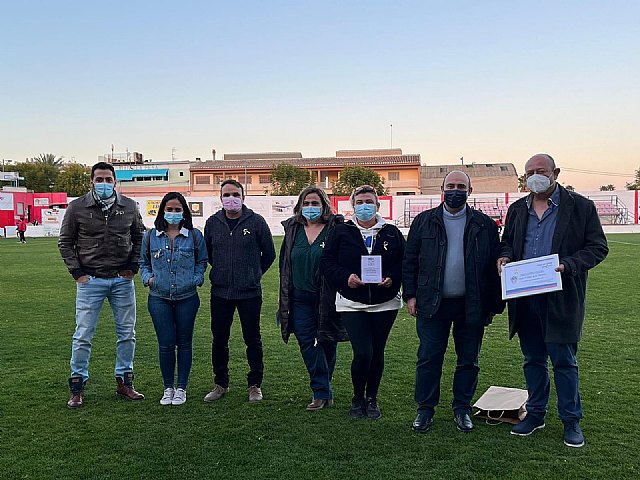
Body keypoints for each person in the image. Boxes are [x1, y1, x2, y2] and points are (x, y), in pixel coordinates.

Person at [498, 154, 608, 447]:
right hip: (525, 298)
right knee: (533, 360)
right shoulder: (517, 209)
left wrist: (569, 265)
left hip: (561, 298)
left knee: (564, 361)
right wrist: (504, 257)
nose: (535, 176)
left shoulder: (581, 207)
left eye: (541, 171)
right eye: (530, 172)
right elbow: (507, 242)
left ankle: (571, 421)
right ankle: (535, 414)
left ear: (555, 173)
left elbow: (598, 247)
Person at [403, 171, 504, 434]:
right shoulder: (424, 221)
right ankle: (425, 410)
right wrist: (410, 295)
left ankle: (462, 408)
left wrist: (493, 305)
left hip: (472, 303)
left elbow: (494, 266)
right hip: (432, 302)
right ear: (442, 188)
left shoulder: (484, 224)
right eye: (451, 186)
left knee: (468, 360)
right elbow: (410, 261)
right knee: (428, 358)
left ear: (470, 191)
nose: (455, 191)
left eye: (461, 186)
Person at [58, 161, 146, 408]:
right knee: (83, 335)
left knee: (127, 334)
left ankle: (125, 382)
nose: (104, 183)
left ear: (115, 182)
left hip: (121, 280)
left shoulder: (129, 206)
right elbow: (65, 242)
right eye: (100, 179)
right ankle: (77, 387)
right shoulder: (76, 207)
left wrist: (133, 267)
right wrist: (77, 273)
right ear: (91, 182)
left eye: (108, 179)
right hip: (90, 280)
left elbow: (140, 237)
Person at [321, 185, 405, 420]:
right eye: (359, 202)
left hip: (385, 302)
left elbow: (404, 262)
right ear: (353, 206)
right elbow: (327, 263)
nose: (364, 206)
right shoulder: (341, 232)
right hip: (351, 302)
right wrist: (345, 277)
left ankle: (372, 398)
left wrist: (392, 278)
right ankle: (358, 397)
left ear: (378, 205)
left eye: (369, 202)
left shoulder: (391, 232)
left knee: (377, 352)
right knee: (363, 353)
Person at [203, 180, 276, 403]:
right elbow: (209, 254)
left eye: (235, 194)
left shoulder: (256, 221)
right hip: (220, 292)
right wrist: (223, 272)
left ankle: (255, 385)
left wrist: (253, 274)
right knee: (219, 340)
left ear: (243, 197)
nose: (231, 198)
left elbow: (269, 254)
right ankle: (221, 383)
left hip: (249, 293)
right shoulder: (212, 223)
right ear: (220, 198)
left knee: (252, 339)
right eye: (226, 194)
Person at [277, 187, 347, 411]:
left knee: (328, 342)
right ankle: (321, 391)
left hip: (328, 298)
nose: (310, 207)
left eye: (315, 203)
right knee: (307, 342)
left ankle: (323, 387)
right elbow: (284, 263)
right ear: (299, 206)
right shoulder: (293, 230)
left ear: (324, 205)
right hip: (299, 299)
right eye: (306, 203)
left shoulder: (336, 229)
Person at [139, 192, 208, 406]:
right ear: (162, 211)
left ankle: (182, 388)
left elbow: (202, 261)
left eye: (178, 209)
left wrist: (196, 279)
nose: (173, 213)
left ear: (184, 212)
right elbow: (143, 263)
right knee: (166, 344)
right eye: (169, 209)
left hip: (187, 297)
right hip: (159, 298)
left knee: (184, 343)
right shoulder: (150, 236)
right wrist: (148, 279)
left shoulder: (194, 236)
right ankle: (168, 387)